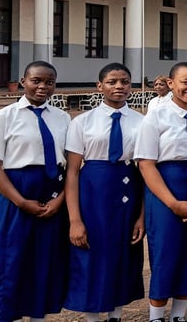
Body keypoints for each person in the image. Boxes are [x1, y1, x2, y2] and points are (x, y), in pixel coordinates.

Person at [0, 61, 72, 322]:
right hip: (17, 192)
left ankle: (38, 316)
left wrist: (61, 200)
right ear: (23, 81)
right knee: (12, 258)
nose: (43, 86)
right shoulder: (4, 117)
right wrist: (20, 201)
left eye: (49, 82)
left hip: (53, 193)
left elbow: (71, 164)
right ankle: (6, 315)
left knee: (46, 259)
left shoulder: (62, 118)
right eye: (36, 80)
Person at [136, 62, 187, 322]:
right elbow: (146, 164)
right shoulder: (156, 117)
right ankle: (156, 317)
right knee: (166, 253)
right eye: (186, 82)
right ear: (171, 83)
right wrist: (172, 203)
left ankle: (177, 316)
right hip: (166, 190)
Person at [65, 62, 146, 322]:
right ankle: (92, 317)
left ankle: (115, 315)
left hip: (128, 188)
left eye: (124, 82)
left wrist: (141, 216)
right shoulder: (82, 122)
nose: (119, 86)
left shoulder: (143, 122)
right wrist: (75, 220)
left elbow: (146, 169)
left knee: (122, 253)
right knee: (92, 253)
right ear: (100, 86)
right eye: (112, 82)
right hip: (93, 191)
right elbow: (72, 172)